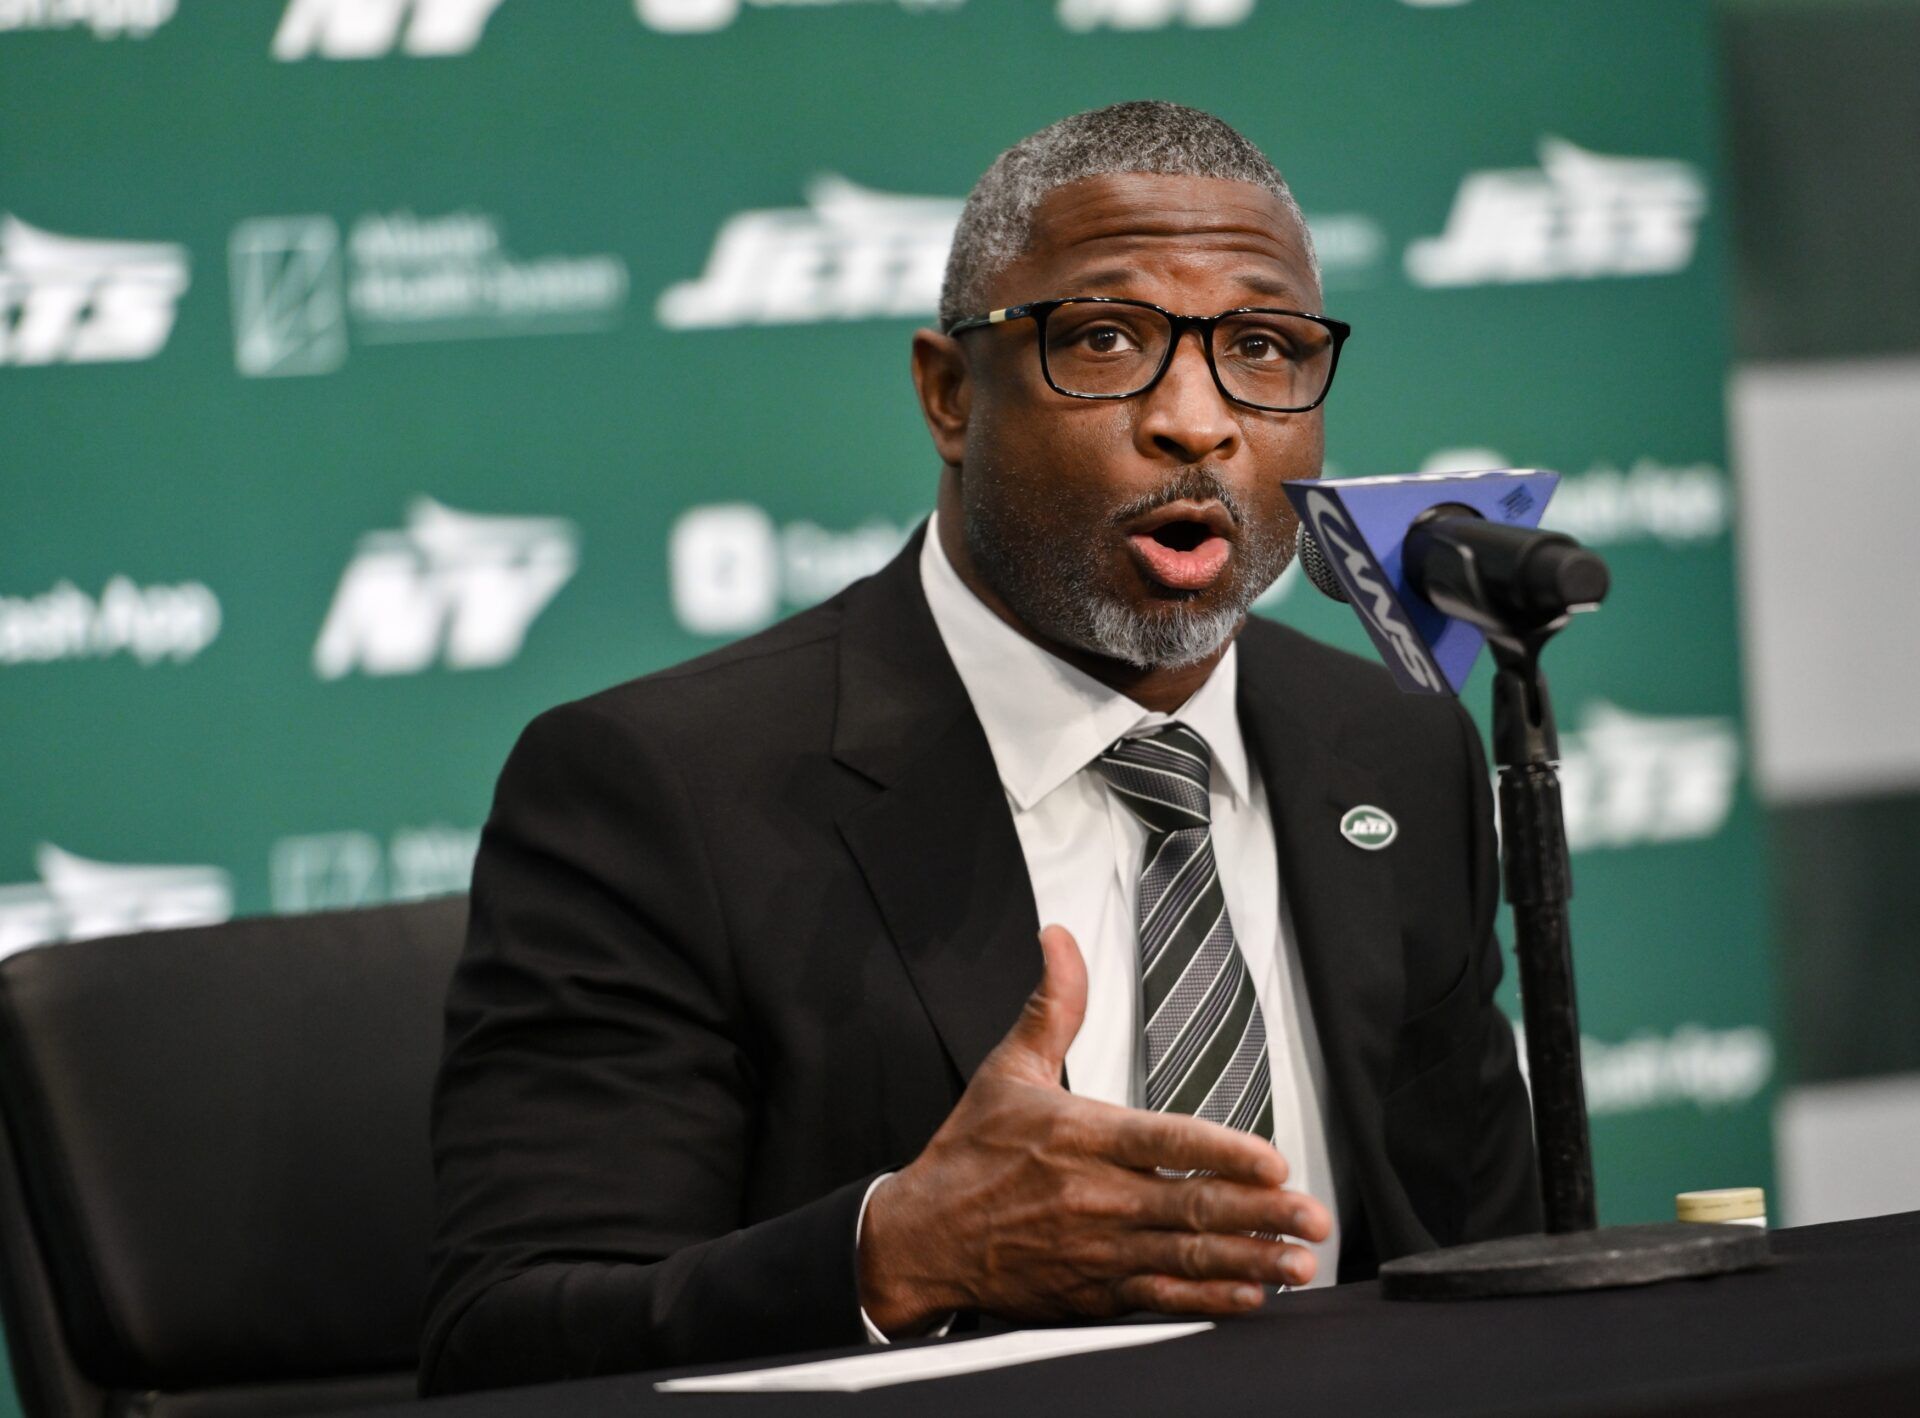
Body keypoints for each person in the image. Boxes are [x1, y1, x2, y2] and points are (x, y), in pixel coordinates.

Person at [420, 100, 1539, 1396]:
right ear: (951, 394)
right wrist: (895, 1252)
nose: (1198, 418)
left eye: (1264, 348)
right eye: (1107, 338)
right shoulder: (661, 790)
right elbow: (504, 1339)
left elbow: (1488, 1260)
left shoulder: (1397, 753)